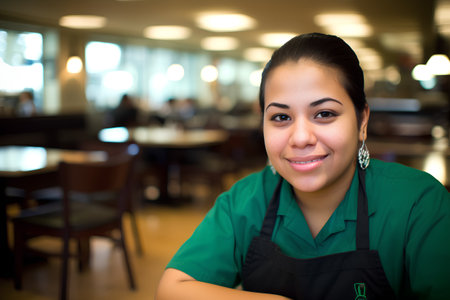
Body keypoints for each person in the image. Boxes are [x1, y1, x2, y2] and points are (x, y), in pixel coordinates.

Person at [155, 33, 450, 300]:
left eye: (324, 113)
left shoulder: (419, 203)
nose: (300, 138)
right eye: (281, 117)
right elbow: (172, 289)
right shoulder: (245, 201)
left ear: (362, 122)